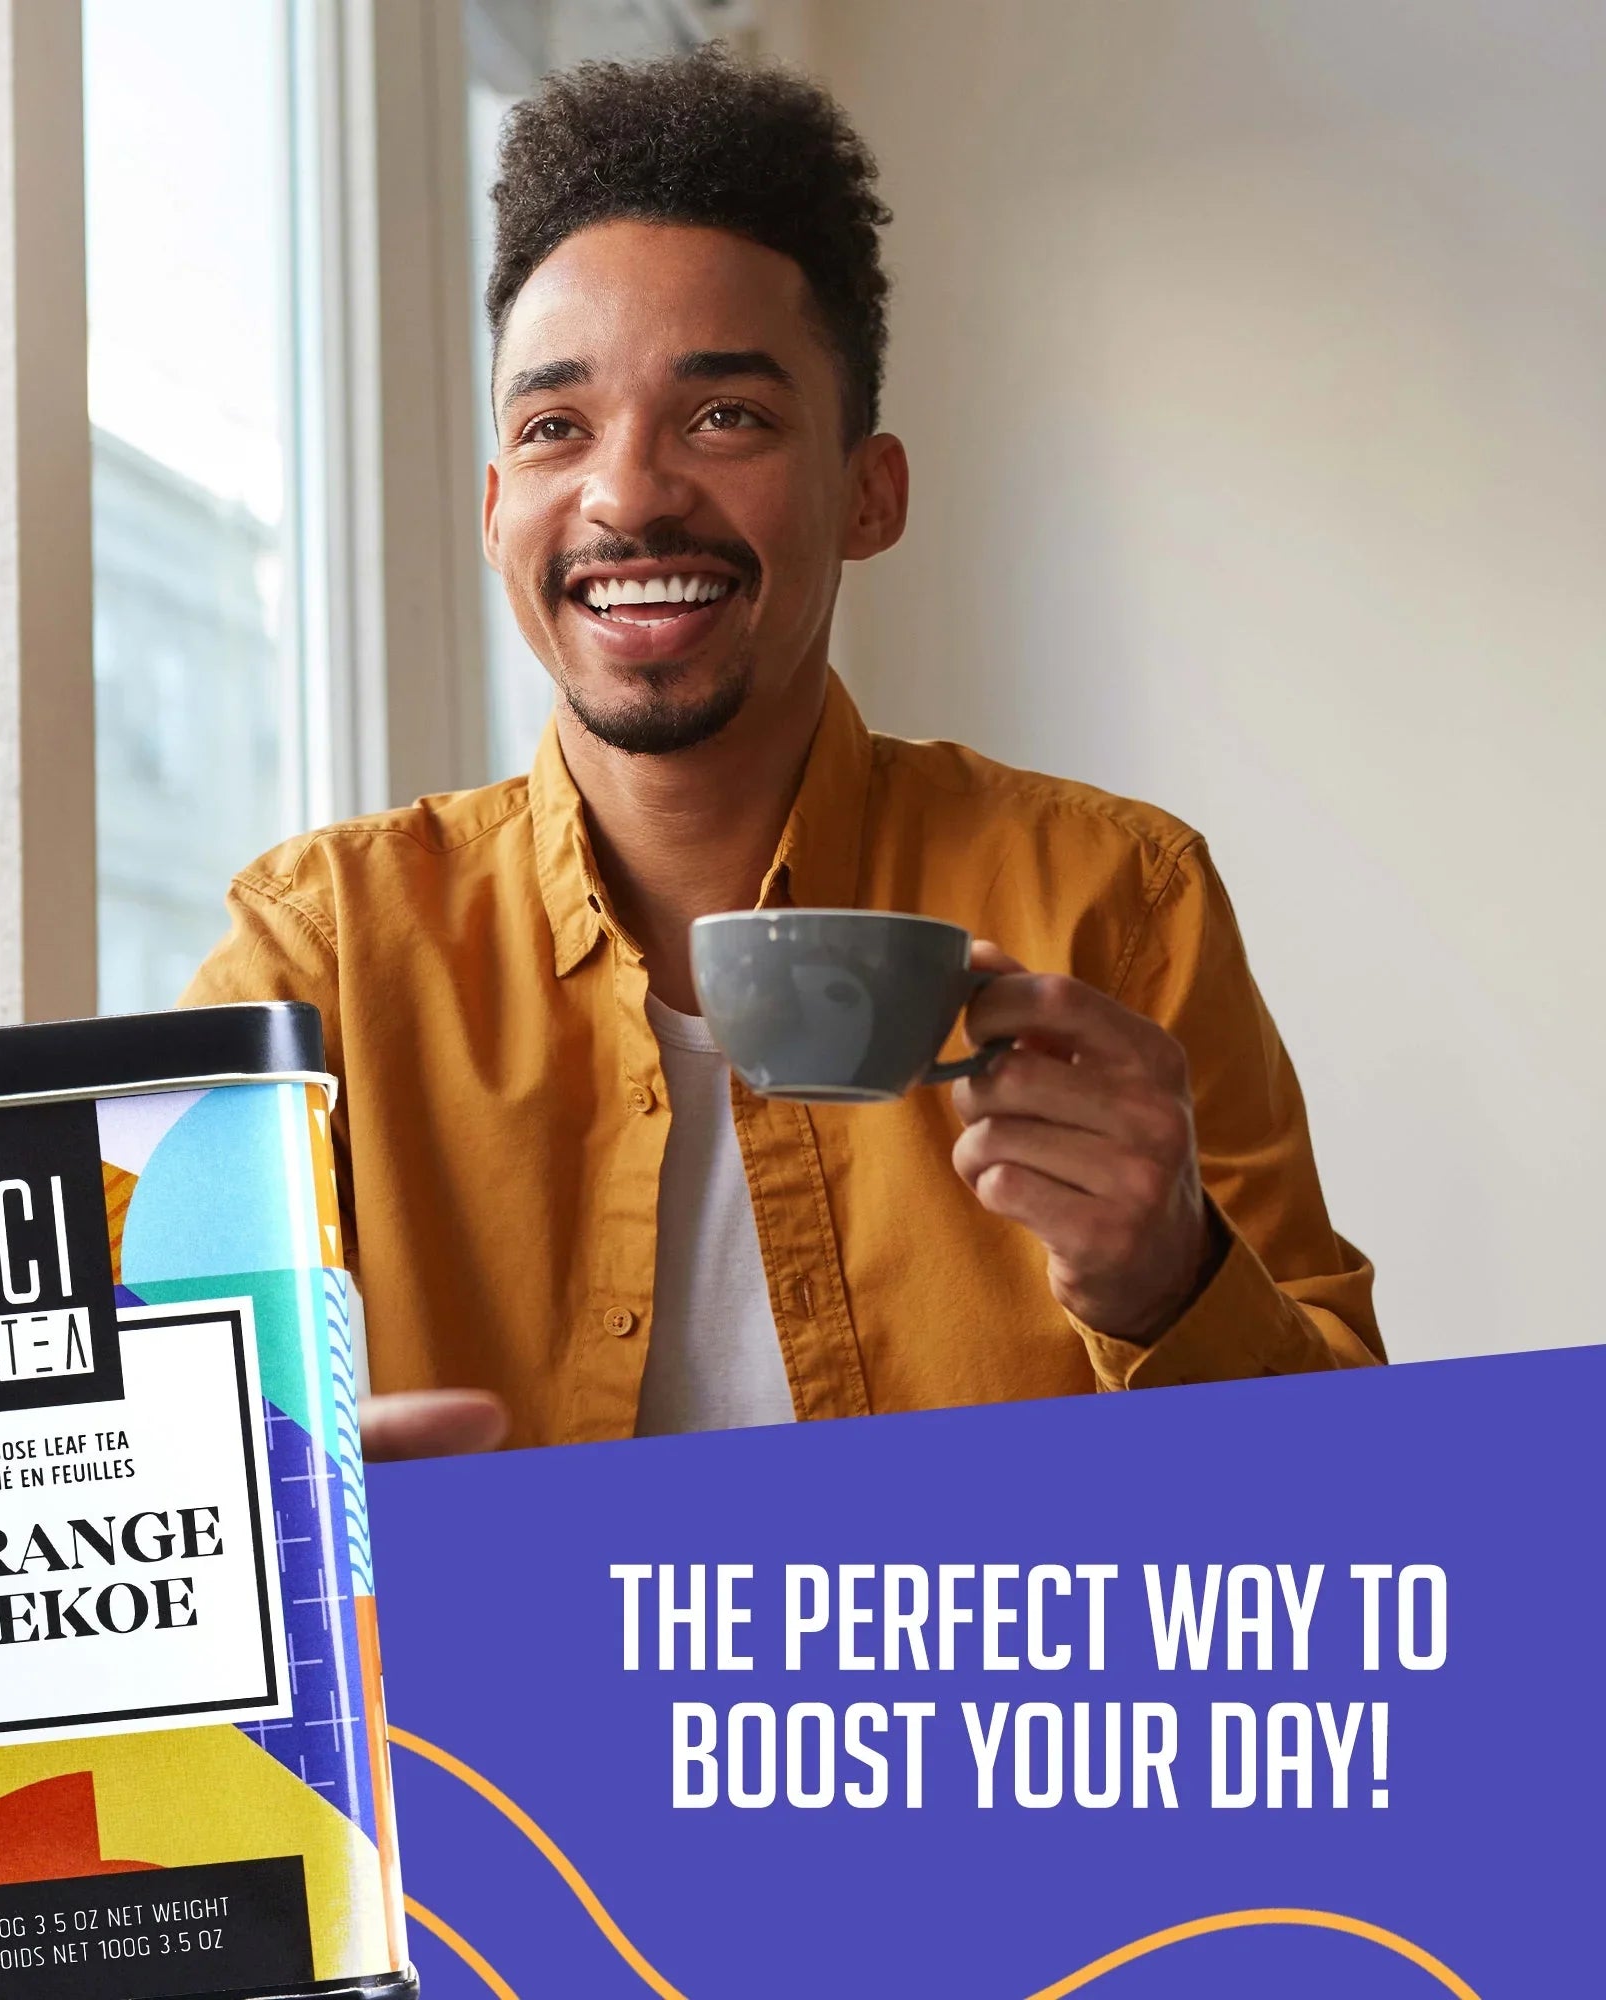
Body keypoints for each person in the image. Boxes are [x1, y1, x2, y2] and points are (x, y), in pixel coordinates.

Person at [184, 46, 1382, 1459]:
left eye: (726, 416)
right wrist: (279, 1520)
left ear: (870, 494)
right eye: (557, 427)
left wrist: (1171, 1280)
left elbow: (1353, 1508)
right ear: (498, 508)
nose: (628, 495)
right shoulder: (317, 962)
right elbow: (124, 1473)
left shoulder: (1118, 903)